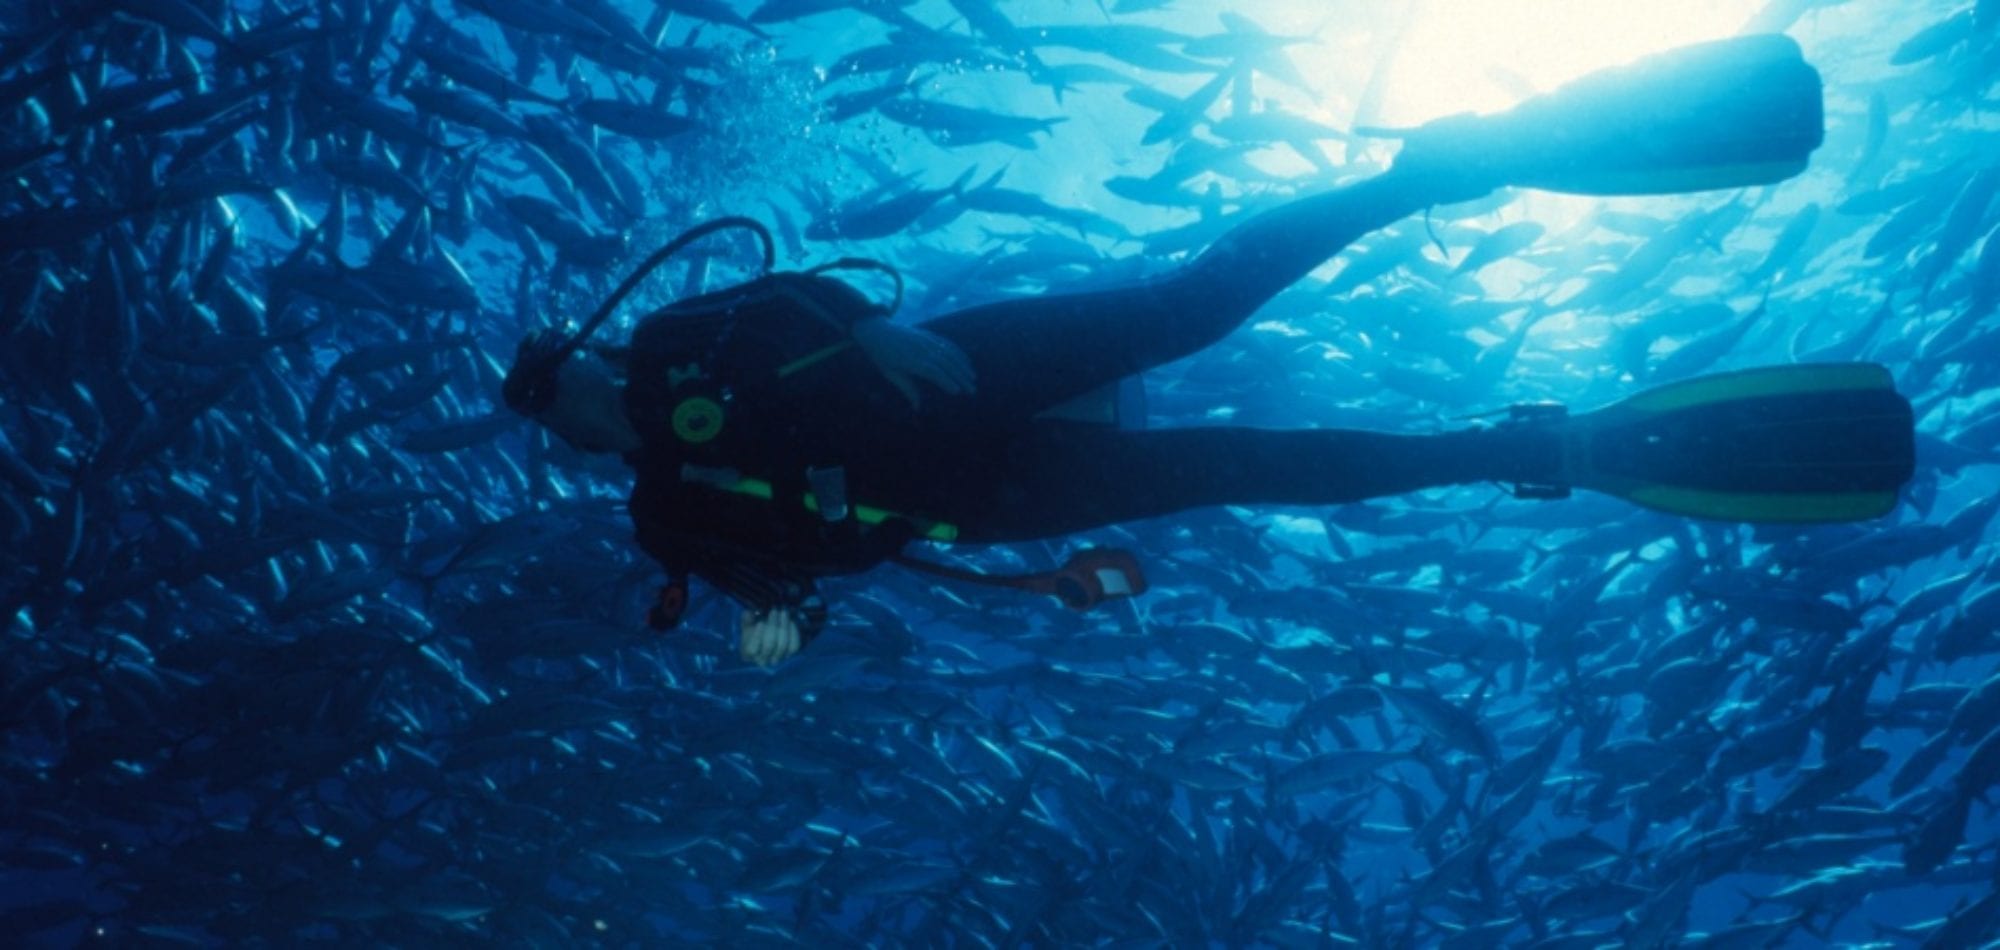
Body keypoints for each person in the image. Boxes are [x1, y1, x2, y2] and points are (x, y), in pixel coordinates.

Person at [503, 35, 1915, 666]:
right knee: (1241, 464)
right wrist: (774, 626)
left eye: (557, 368)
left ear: (582, 349)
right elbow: (783, 599)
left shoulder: (681, 333)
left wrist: (874, 326)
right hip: (980, 501)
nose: (568, 397)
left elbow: (806, 288)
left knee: (1192, 304)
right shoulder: (662, 515)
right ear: (559, 438)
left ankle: (1430, 173)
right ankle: (1527, 447)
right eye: (547, 408)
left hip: (952, 368)